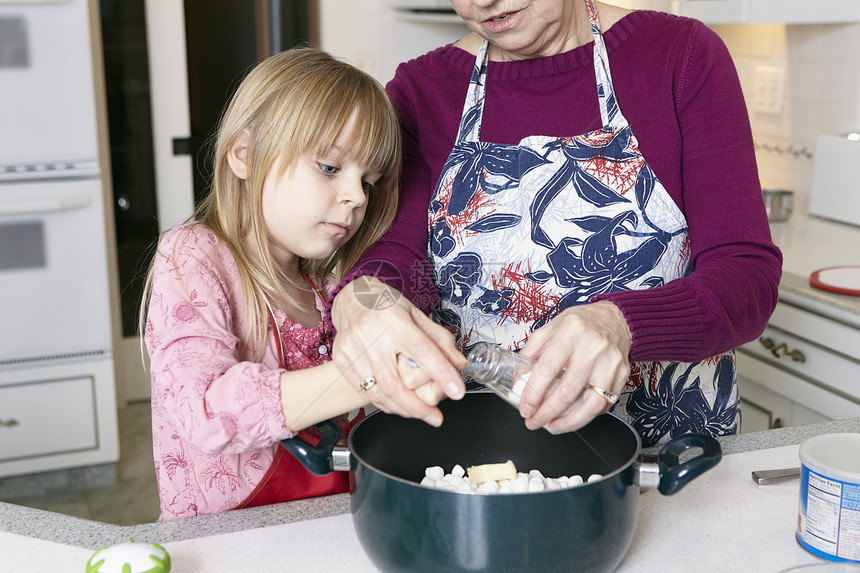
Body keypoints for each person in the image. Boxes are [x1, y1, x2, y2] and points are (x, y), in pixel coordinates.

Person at [326, 0, 782, 446]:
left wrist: (619, 323)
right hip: (475, 457)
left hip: (670, 459)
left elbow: (746, 277)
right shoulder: (423, 90)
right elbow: (395, 258)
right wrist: (360, 298)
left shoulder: (680, 56)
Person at [140, 47, 442, 520]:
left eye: (369, 182)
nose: (354, 197)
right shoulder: (194, 255)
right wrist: (371, 377)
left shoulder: (328, 285)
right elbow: (204, 409)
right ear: (245, 155)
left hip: (325, 528)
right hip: (227, 544)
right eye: (329, 167)